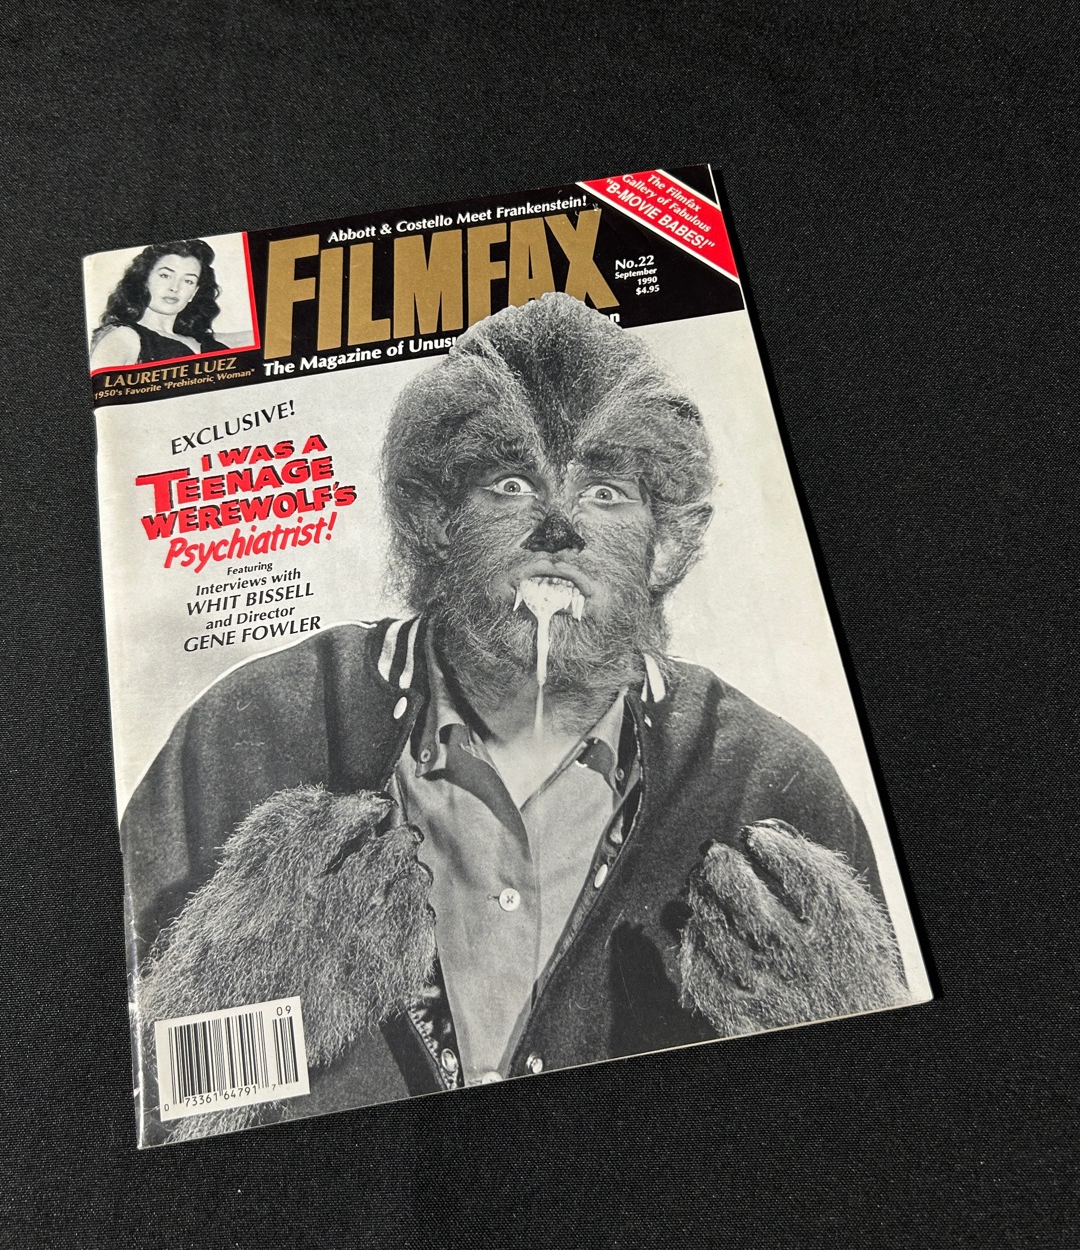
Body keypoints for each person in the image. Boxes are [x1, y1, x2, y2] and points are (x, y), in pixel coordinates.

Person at [126, 293, 908, 1141]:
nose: (559, 530)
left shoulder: (767, 780)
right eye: (511, 484)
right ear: (434, 520)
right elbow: (102, 1097)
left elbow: (882, 1137)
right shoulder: (252, 732)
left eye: (605, 491)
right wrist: (236, 1009)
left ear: (667, 544)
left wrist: (839, 1034)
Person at [91, 239, 225, 366]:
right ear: (144, 280)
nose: (175, 288)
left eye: (188, 281)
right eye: (165, 276)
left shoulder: (205, 341)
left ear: (194, 292)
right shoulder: (124, 337)